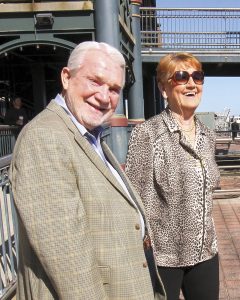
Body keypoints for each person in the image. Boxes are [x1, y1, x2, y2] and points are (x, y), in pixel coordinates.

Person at [9, 41, 166, 300]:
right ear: (66, 78)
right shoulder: (45, 138)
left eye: (114, 89)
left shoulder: (88, 136)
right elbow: (69, 260)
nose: (104, 97)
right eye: (95, 81)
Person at [125, 52, 220, 300]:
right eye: (181, 76)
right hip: (163, 258)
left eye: (197, 77)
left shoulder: (208, 137)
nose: (191, 83)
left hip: (205, 252)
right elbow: (134, 198)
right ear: (163, 88)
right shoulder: (147, 134)